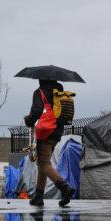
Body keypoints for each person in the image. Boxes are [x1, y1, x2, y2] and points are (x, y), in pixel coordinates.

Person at [24, 80, 75, 208]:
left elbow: (36, 111)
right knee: (43, 162)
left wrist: (28, 120)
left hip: (46, 131)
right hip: (57, 131)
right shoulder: (59, 91)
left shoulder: (40, 92)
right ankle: (38, 197)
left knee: (44, 163)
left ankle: (65, 188)